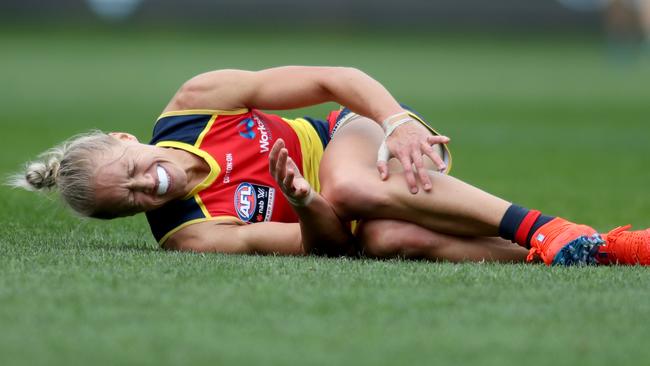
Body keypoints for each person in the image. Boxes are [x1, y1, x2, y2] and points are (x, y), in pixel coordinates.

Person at [10, 66, 650, 265]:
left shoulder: (196, 104)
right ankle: (598, 250)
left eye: (129, 169)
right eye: (129, 202)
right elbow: (332, 247)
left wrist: (398, 121)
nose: (142, 187)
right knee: (385, 237)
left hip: (358, 136)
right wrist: (305, 201)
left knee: (347, 183)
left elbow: (334, 78)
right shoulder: (193, 234)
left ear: (129, 136)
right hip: (350, 211)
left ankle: (543, 227)